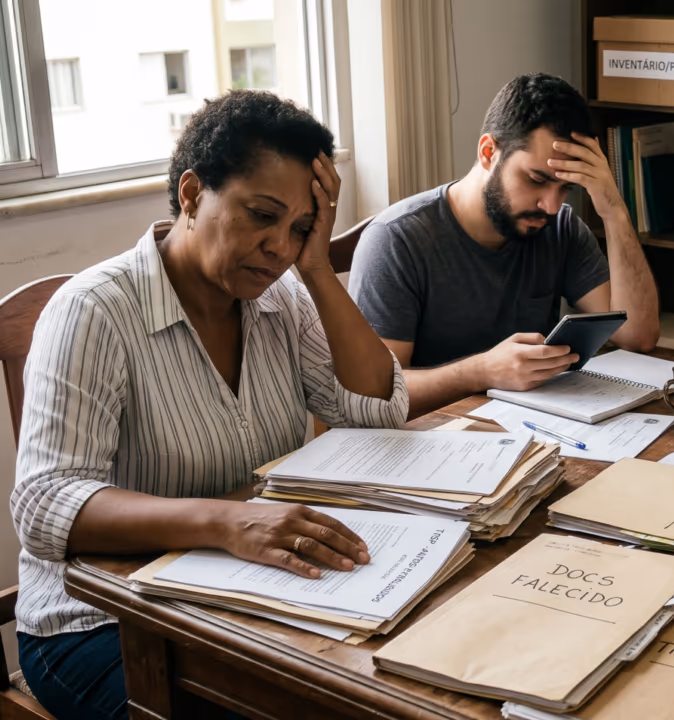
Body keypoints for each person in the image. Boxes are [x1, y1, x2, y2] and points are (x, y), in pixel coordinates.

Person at [10, 91, 408, 720]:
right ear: (192, 195)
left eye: (299, 228)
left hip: (238, 598)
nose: (279, 247)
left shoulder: (283, 300)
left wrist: (320, 272)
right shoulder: (97, 311)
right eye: (261, 215)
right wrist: (230, 523)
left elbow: (377, 412)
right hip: (98, 623)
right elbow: (46, 503)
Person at [349, 73, 660, 418]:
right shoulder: (397, 240)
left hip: (531, 432)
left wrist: (613, 209)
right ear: (488, 152)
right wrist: (481, 371)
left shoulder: (561, 228)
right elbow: (377, 394)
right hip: (427, 443)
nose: (551, 205)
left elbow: (639, 335)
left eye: (564, 188)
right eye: (537, 180)